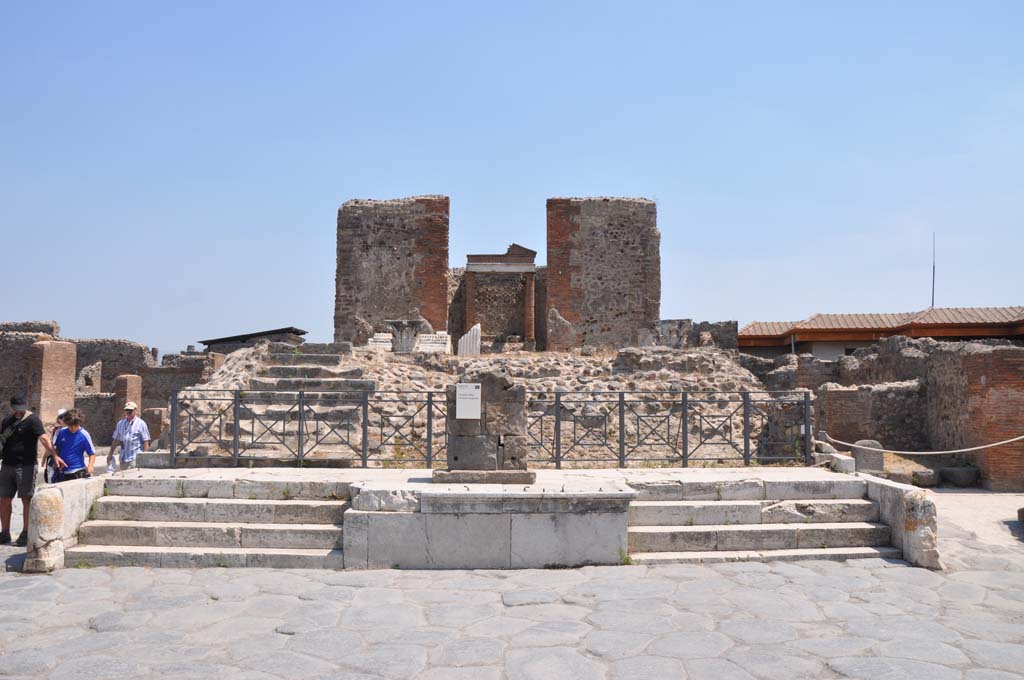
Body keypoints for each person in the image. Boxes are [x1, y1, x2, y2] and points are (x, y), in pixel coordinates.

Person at [0, 396, 57, 547]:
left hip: (26, 466)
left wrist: (54, 455)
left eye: (21, 408)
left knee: (26, 499)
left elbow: (44, 438)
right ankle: (4, 532)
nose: (19, 411)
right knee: (4, 499)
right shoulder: (7, 420)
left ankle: (25, 533)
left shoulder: (33, 420)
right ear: (12, 407)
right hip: (7, 465)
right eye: (16, 408)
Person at [52, 410, 94, 481]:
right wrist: (56, 458)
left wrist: (90, 465)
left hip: (78, 471)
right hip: (62, 472)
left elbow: (91, 453)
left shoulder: (84, 434)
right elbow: (56, 448)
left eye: (75, 426)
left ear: (79, 423)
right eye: (70, 426)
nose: (73, 428)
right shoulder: (61, 432)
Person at [109, 401, 149, 472]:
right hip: (123, 458)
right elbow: (115, 440)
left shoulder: (141, 424)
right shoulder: (120, 423)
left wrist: (145, 459)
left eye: (131, 410)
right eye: (127, 410)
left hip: (135, 459)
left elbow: (146, 441)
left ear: (135, 410)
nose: (129, 412)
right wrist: (110, 455)